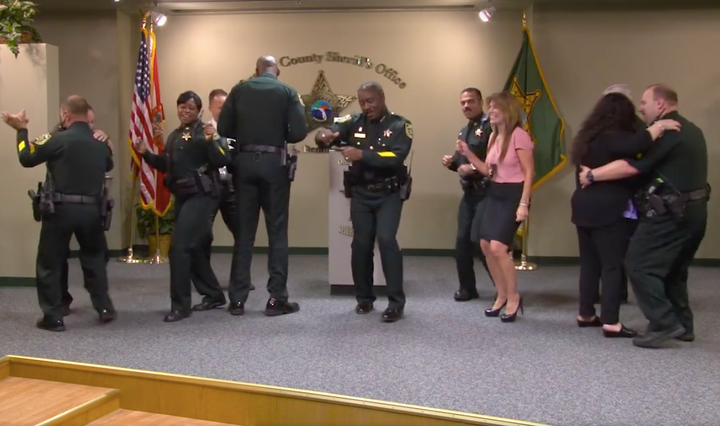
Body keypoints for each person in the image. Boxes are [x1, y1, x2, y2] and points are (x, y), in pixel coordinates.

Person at [579, 84, 709, 348]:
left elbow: (634, 166)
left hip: (671, 214)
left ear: (660, 105)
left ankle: (663, 323)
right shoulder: (693, 129)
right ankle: (683, 325)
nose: (639, 108)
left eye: (643, 102)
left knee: (637, 263)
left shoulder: (668, 131)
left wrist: (591, 175)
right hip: (695, 213)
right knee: (674, 270)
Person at [570, 92, 680, 338]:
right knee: (612, 266)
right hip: (607, 208)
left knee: (589, 264)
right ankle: (611, 322)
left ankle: (586, 313)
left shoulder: (588, 138)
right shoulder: (613, 137)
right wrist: (660, 126)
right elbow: (638, 144)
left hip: (582, 207)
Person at [2, 95, 116, 332]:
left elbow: (26, 157)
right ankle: (104, 307)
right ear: (88, 116)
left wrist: (21, 131)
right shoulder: (100, 143)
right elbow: (108, 164)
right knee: (94, 259)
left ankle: (53, 316)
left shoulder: (56, 139)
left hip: (61, 210)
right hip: (92, 211)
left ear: (65, 115)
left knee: (49, 262)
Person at [315, 81, 413, 322]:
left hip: (389, 193)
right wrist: (323, 136)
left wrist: (363, 155)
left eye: (370, 101)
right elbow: (326, 132)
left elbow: (395, 156)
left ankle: (396, 303)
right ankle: (365, 298)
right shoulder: (353, 122)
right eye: (362, 102)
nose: (366, 106)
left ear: (381, 97)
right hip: (361, 193)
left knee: (387, 240)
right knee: (360, 244)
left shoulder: (400, 125)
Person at [218, 56, 307, 317]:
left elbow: (224, 128)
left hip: (243, 165)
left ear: (256, 70)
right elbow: (299, 132)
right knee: (277, 232)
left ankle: (236, 299)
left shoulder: (239, 89)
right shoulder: (287, 91)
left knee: (244, 234)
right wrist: (279, 132)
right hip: (274, 166)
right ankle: (276, 298)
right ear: (276, 71)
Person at [135, 91, 230, 322]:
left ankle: (180, 305)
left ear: (199, 111)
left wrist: (211, 141)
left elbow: (222, 158)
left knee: (178, 249)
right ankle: (214, 295)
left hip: (201, 196)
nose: (185, 111)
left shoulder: (204, 132)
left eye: (190, 107)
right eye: (181, 106)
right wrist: (146, 154)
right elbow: (167, 164)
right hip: (183, 196)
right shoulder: (175, 135)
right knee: (194, 249)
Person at [457, 91, 534, 323]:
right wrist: (468, 153)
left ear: (507, 110)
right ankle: (500, 295)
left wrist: (524, 203)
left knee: (499, 247)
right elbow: (488, 170)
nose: (490, 111)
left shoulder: (519, 136)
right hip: (494, 192)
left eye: (494, 107)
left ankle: (513, 297)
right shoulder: (493, 137)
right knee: (484, 245)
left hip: (513, 194)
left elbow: (529, 172)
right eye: (489, 107)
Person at [57, 106, 113, 316]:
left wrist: (106, 141)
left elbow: (107, 164)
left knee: (98, 256)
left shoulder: (96, 142)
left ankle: (102, 303)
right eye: (87, 123)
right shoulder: (59, 136)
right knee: (57, 257)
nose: (90, 127)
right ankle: (61, 301)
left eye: (92, 123)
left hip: (88, 207)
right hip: (61, 205)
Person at [441, 87, 493, 302]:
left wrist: (471, 170)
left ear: (480, 102)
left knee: (482, 244)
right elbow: (461, 162)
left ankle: (505, 289)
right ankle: (467, 288)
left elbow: (495, 162)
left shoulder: (490, 127)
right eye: (462, 102)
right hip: (469, 194)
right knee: (462, 242)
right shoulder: (465, 131)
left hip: (487, 193)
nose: (466, 106)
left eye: (471, 101)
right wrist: (452, 163)